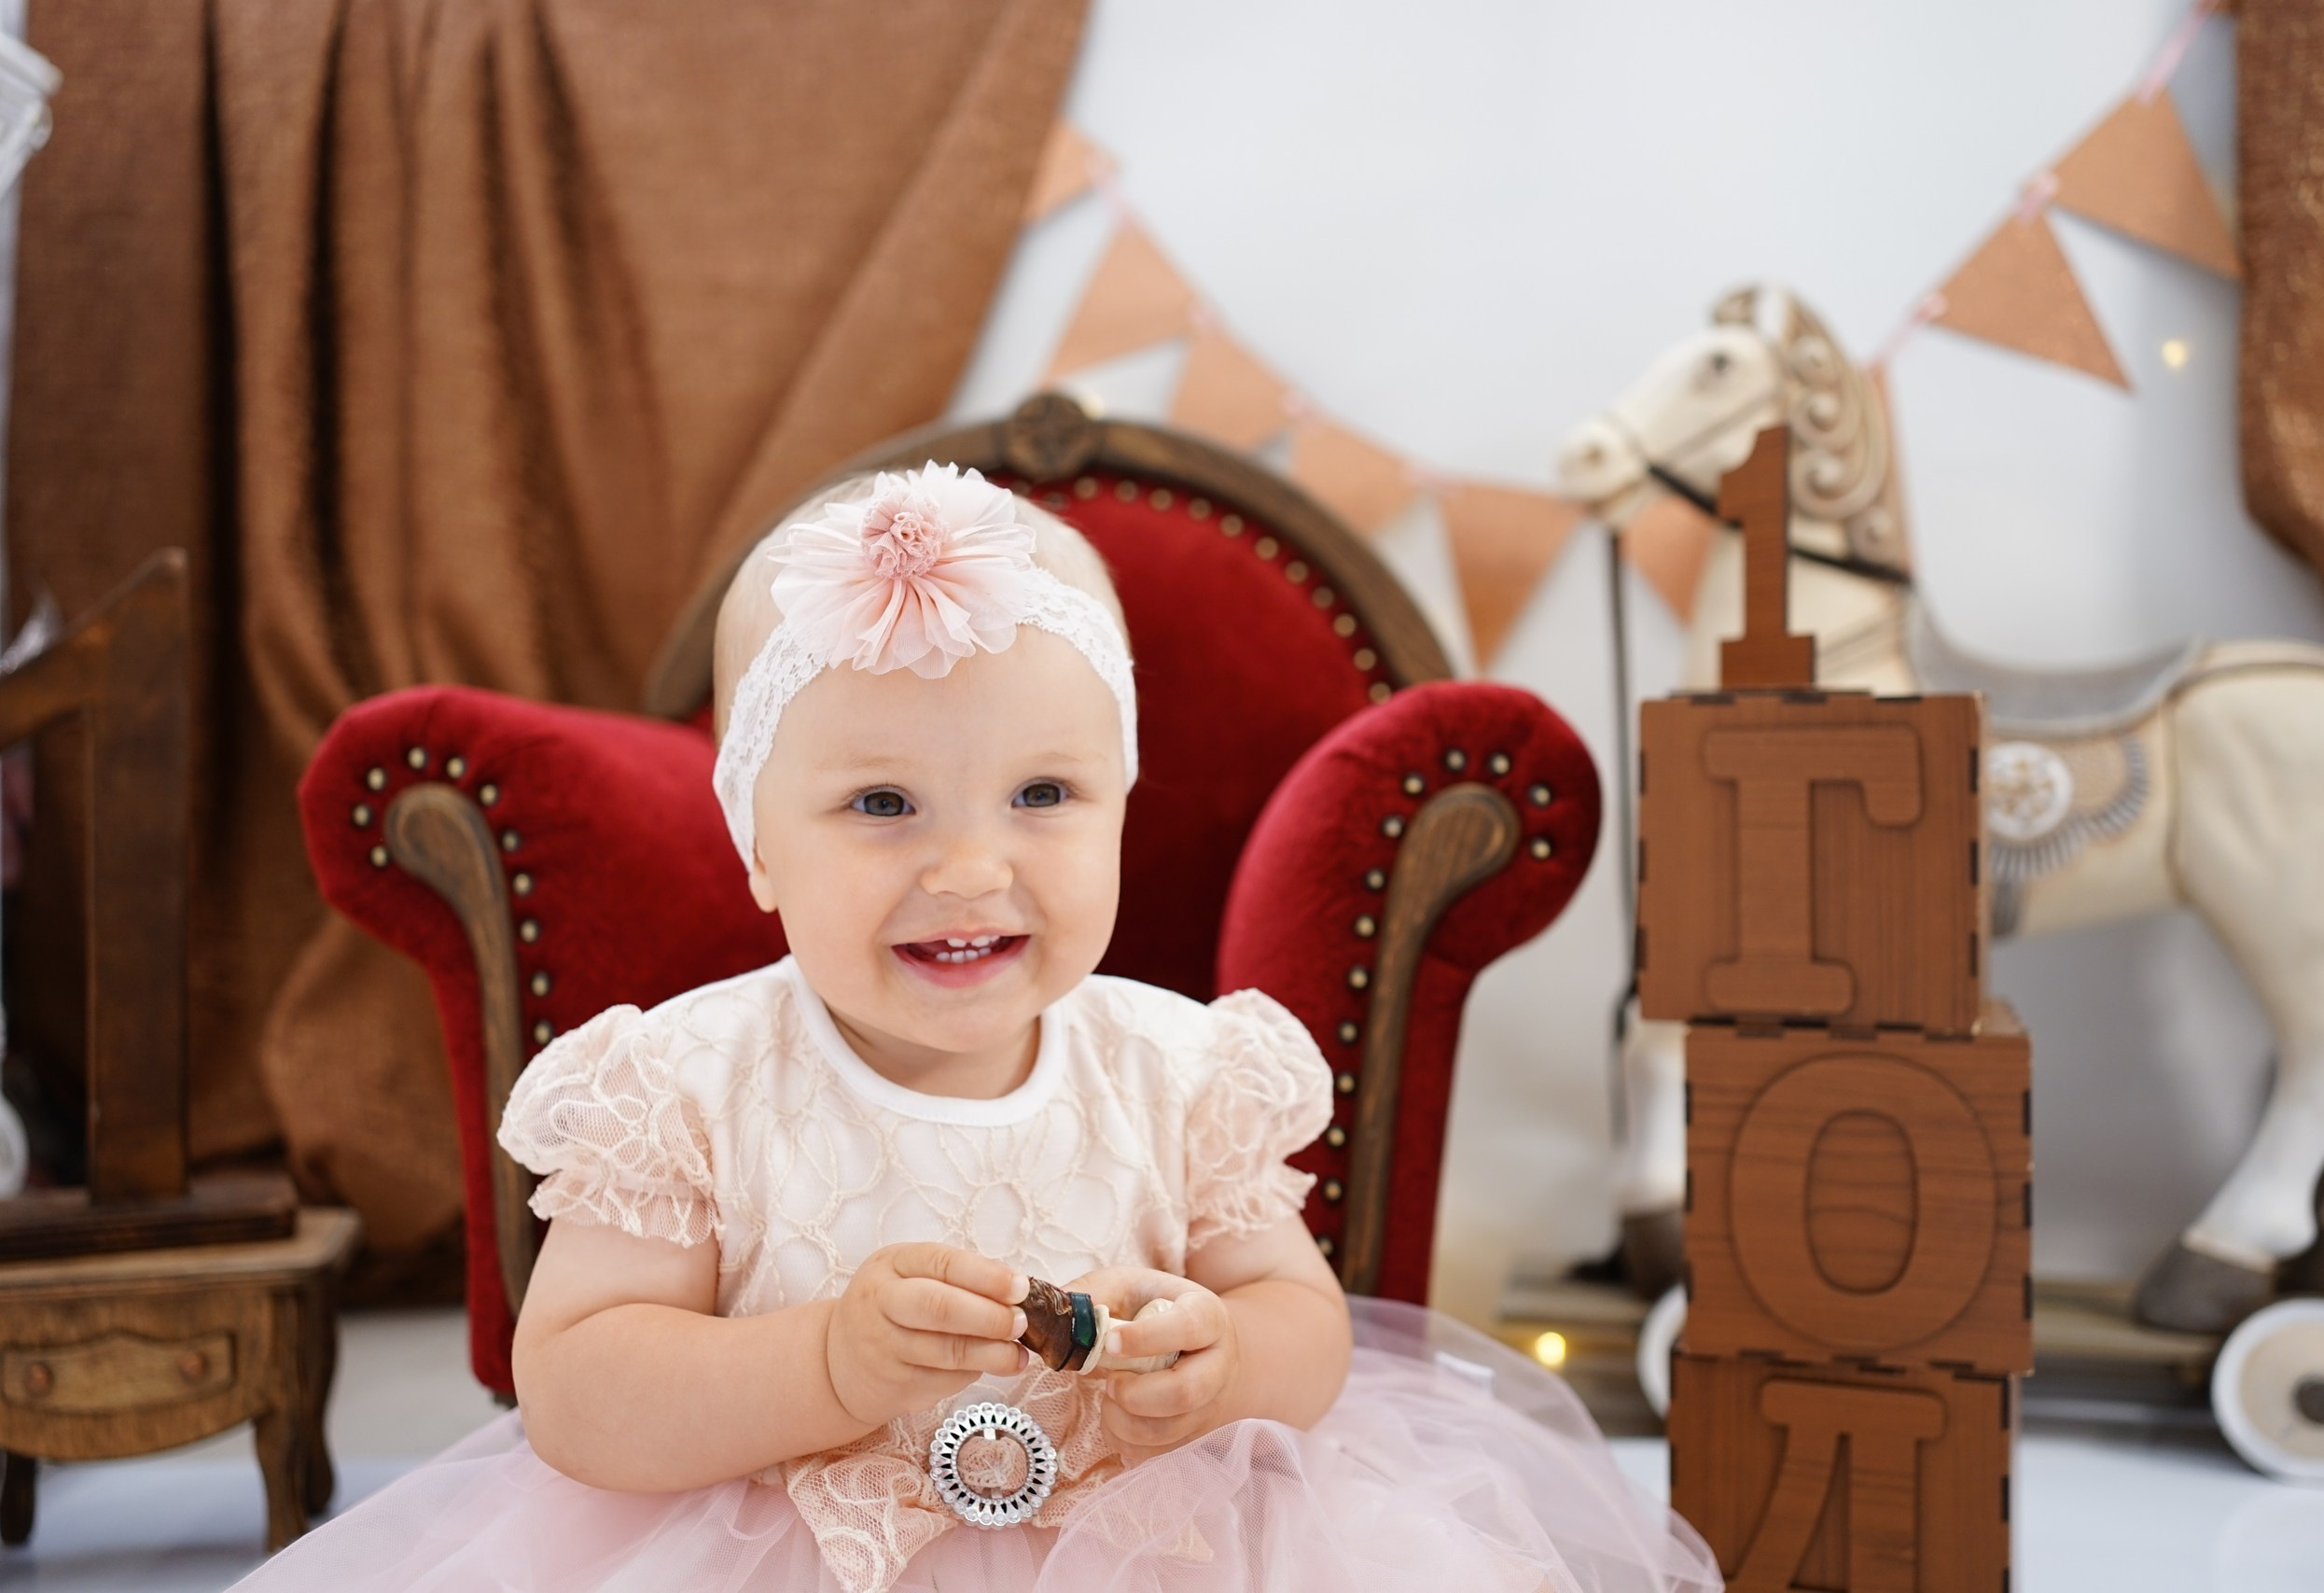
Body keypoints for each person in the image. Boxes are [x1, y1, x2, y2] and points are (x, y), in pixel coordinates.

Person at [236, 464, 1719, 1592]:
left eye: (1043, 796)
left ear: (1124, 806)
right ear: (756, 843)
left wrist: (1224, 1358)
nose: (968, 866)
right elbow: (576, 1389)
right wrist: (822, 1368)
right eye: (883, 804)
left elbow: (1306, 1328)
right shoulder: (684, 1086)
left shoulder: (1183, 1075)